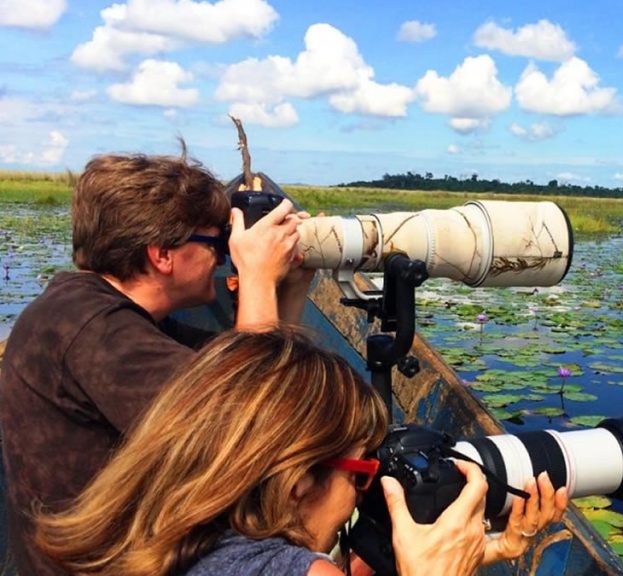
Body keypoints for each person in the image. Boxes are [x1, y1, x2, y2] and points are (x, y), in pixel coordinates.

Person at [0, 148, 314, 575]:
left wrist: (288, 290)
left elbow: (252, 371)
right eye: (214, 243)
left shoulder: (120, 318)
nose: (223, 258)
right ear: (162, 254)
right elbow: (246, 431)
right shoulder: (91, 326)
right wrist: (257, 277)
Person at [33, 328, 568, 575]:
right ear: (296, 484)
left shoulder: (150, 533)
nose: (363, 493)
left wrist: (479, 549)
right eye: (361, 474)